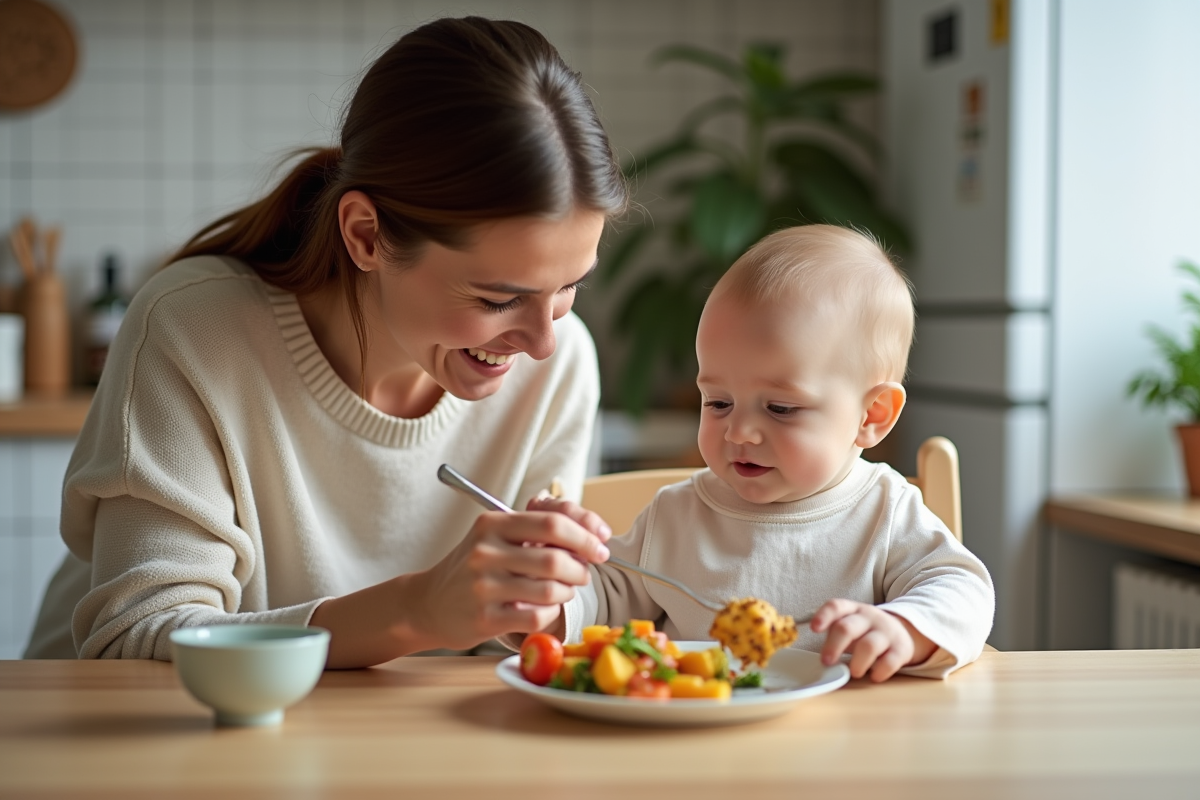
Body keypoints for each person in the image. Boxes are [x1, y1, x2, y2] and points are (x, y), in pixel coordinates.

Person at [24, 17, 622, 666]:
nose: (541, 341)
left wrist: (544, 604)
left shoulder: (562, 363)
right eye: (498, 299)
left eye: (569, 288)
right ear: (366, 235)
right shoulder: (193, 330)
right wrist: (418, 611)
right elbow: (134, 644)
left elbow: (511, 649)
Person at [569, 225, 995, 681]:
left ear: (871, 415)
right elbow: (603, 596)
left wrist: (905, 628)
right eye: (718, 402)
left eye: (780, 408)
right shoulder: (674, 517)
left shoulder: (886, 513)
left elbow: (962, 590)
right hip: (696, 734)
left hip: (845, 740)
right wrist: (553, 600)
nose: (740, 432)